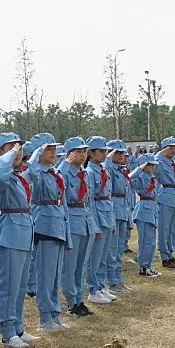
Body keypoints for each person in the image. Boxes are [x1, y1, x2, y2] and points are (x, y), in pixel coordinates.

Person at [0, 132, 42, 348]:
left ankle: (18, 327)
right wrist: (11, 154)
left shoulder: (18, 175)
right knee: (9, 286)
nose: (17, 152)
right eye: (10, 148)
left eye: (18, 148)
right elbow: (0, 173)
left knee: (20, 286)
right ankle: (7, 331)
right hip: (10, 232)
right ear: (0, 152)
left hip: (23, 230)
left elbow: (36, 171)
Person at [26, 133, 69, 331]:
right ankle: (45, 317)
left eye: (53, 149)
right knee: (45, 275)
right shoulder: (36, 172)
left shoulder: (55, 173)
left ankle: (55, 314)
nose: (53, 153)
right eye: (47, 149)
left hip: (58, 225)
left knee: (54, 275)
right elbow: (30, 172)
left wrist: (67, 233)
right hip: (44, 225)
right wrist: (35, 153)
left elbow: (63, 204)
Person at [59, 136, 97, 317]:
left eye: (84, 151)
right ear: (69, 154)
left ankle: (79, 299)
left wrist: (94, 224)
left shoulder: (85, 173)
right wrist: (67, 162)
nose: (82, 155)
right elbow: (60, 188)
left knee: (82, 264)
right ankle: (71, 301)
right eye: (78, 152)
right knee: (70, 265)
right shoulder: (63, 172)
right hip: (72, 221)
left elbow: (90, 200)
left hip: (86, 219)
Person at [84, 136, 117, 305]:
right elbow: (90, 200)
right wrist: (94, 224)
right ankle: (92, 289)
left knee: (103, 255)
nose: (104, 154)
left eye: (105, 151)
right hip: (98, 215)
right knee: (95, 257)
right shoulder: (89, 173)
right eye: (101, 151)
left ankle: (100, 286)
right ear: (90, 153)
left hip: (107, 213)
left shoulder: (103, 170)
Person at [103, 139, 133, 292]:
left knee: (120, 248)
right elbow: (104, 169)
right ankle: (112, 281)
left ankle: (119, 279)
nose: (121, 155)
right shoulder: (108, 168)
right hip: (114, 209)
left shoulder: (122, 169)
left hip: (123, 210)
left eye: (123, 152)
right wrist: (109, 157)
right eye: (118, 152)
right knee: (112, 249)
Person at [130, 154, 162, 278]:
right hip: (144, 209)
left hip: (152, 208)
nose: (153, 167)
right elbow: (130, 179)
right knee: (145, 241)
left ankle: (149, 266)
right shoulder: (140, 177)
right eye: (150, 165)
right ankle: (143, 267)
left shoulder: (152, 177)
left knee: (152, 241)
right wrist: (139, 167)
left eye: (153, 165)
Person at [154, 137, 175, 269]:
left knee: (173, 229)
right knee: (164, 229)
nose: (173, 150)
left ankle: (171, 255)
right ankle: (165, 257)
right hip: (165, 195)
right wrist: (161, 152)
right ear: (164, 148)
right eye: (170, 147)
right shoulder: (159, 161)